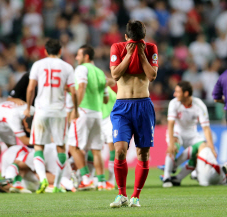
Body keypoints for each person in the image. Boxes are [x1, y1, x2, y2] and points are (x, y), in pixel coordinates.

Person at [109, 20, 158, 207]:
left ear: (143, 39)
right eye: (133, 42)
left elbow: (152, 76)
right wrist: (129, 55)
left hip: (143, 105)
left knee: (143, 154)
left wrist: (141, 53)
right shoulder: (117, 48)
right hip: (122, 106)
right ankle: (121, 194)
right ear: (126, 38)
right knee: (120, 150)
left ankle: (135, 197)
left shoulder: (151, 48)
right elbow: (115, 75)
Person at [24, 39, 78, 193]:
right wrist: (75, 109)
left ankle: (42, 180)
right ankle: (57, 184)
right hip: (59, 112)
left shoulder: (38, 65)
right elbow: (73, 91)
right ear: (60, 51)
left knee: (38, 146)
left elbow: (30, 88)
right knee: (61, 147)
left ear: (46, 51)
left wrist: (28, 107)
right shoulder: (67, 67)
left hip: (41, 110)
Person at [67, 45, 109, 191]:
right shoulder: (100, 73)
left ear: (86, 57)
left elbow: (82, 87)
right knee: (96, 150)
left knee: (73, 146)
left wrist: (75, 109)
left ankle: (86, 179)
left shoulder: (81, 69)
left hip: (84, 111)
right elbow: (105, 98)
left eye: (79, 55)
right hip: (97, 114)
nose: (77, 58)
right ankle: (102, 182)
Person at [162, 81, 216, 187]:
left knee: (203, 149)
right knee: (173, 146)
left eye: (177, 92)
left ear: (186, 93)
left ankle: (177, 178)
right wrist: (171, 143)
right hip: (177, 131)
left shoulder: (199, 105)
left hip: (192, 133)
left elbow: (206, 128)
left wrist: (212, 148)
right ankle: (166, 177)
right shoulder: (174, 103)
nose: (174, 94)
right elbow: (171, 124)